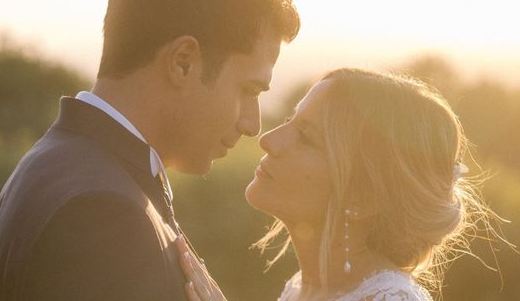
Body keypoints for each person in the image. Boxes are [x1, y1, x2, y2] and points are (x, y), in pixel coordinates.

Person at [0, 0, 300, 301]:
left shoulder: (60, 164)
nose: (252, 124)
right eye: (248, 90)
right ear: (183, 62)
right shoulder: (102, 213)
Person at [179, 68, 501, 301]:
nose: (269, 140)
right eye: (291, 121)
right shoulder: (302, 290)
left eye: (306, 138)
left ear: (364, 196)